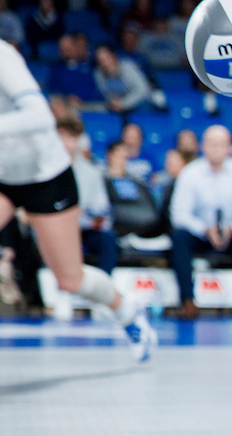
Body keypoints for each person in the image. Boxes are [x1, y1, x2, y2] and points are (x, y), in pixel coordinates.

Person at [0, 39, 154, 359]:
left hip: (45, 175)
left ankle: (127, 313)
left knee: (70, 279)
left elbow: (41, 116)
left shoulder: (3, 56)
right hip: (2, 175)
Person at [169, 125, 232, 321]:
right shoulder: (190, 173)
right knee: (179, 237)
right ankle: (188, 301)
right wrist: (204, 229)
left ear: (229, 147)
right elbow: (179, 214)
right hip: (202, 234)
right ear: (202, 146)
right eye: (211, 144)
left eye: (221, 144)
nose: (216, 149)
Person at [56, 116, 117, 323]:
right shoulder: (47, 170)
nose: (67, 143)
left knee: (108, 239)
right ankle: (63, 293)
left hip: (86, 227)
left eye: (72, 138)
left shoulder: (92, 172)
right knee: (64, 235)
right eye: (62, 137)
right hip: (57, 229)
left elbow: (102, 209)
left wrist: (92, 217)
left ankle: (101, 298)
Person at [93, 45, 151, 114]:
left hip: (140, 105)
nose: (105, 64)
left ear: (114, 56)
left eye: (107, 59)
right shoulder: (98, 74)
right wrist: (115, 103)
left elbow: (143, 90)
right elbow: (106, 94)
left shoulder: (127, 67)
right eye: (100, 61)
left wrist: (124, 103)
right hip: (117, 107)